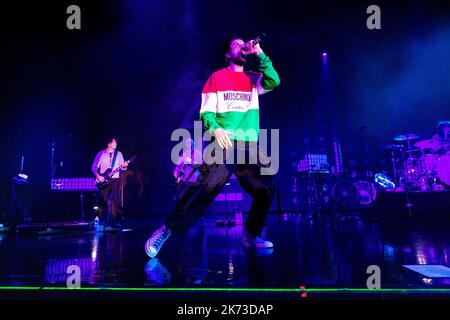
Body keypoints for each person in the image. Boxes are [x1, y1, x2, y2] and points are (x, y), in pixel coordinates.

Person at [144, 35, 280, 258]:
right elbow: (206, 112)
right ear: (228, 54)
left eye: (244, 43)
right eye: (236, 44)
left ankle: (251, 234)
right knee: (205, 189)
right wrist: (216, 128)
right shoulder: (216, 78)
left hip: (250, 144)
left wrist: (260, 54)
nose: (242, 46)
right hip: (225, 142)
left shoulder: (253, 78)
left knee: (267, 188)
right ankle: (167, 229)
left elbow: (274, 80)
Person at [91, 137, 128, 229]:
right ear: (109, 144)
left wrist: (125, 166)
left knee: (116, 200)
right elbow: (94, 167)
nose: (116, 144)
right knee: (104, 201)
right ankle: (102, 220)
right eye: (114, 142)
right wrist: (98, 176)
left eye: (116, 142)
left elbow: (123, 167)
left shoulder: (119, 154)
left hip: (115, 180)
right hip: (103, 181)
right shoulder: (101, 154)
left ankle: (116, 220)